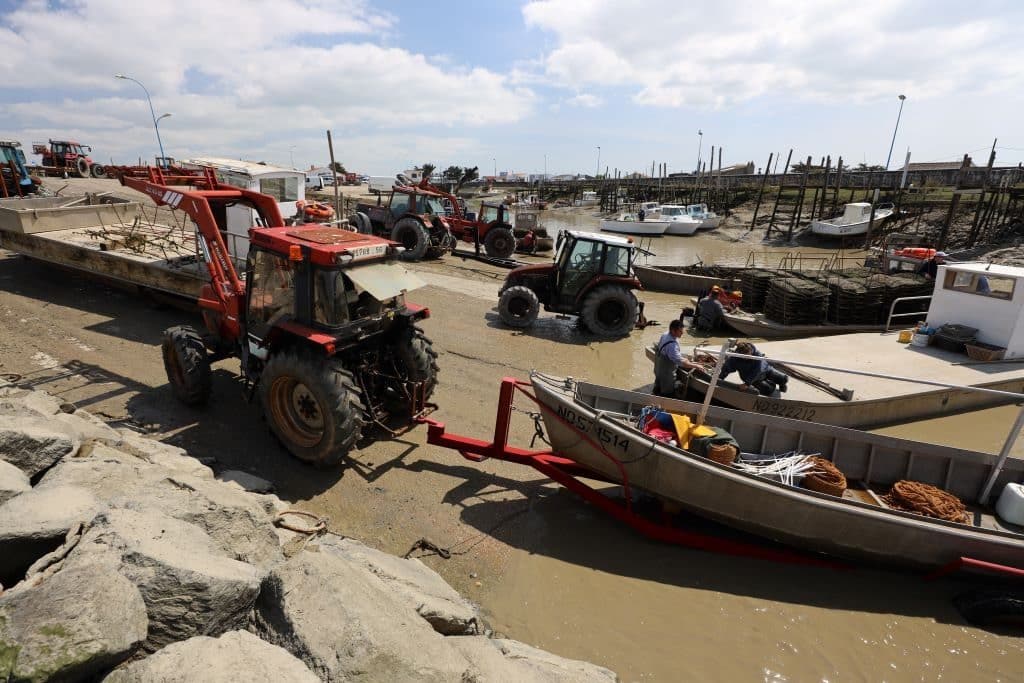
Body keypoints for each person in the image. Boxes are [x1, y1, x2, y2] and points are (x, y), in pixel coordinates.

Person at [720, 341, 788, 396]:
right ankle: (770, 384)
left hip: (765, 371)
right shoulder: (734, 358)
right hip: (751, 378)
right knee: (769, 390)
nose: (747, 358)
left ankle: (781, 384)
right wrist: (720, 378)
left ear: (751, 351)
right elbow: (726, 368)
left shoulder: (757, 354)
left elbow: (758, 370)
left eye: (748, 355)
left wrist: (747, 383)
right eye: (744, 356)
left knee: (784, 378)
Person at [653, 319, 701, 396]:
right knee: (667, 395)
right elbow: (681, 362)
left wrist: (685, 358)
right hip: (666, 375)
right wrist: (696, 365)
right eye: (680, 331)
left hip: (658, 370)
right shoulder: (672, 345)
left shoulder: (665, 335)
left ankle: (653, 396)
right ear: (673, 331)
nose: (682, 333)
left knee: (657, 388)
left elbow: (670, 354)